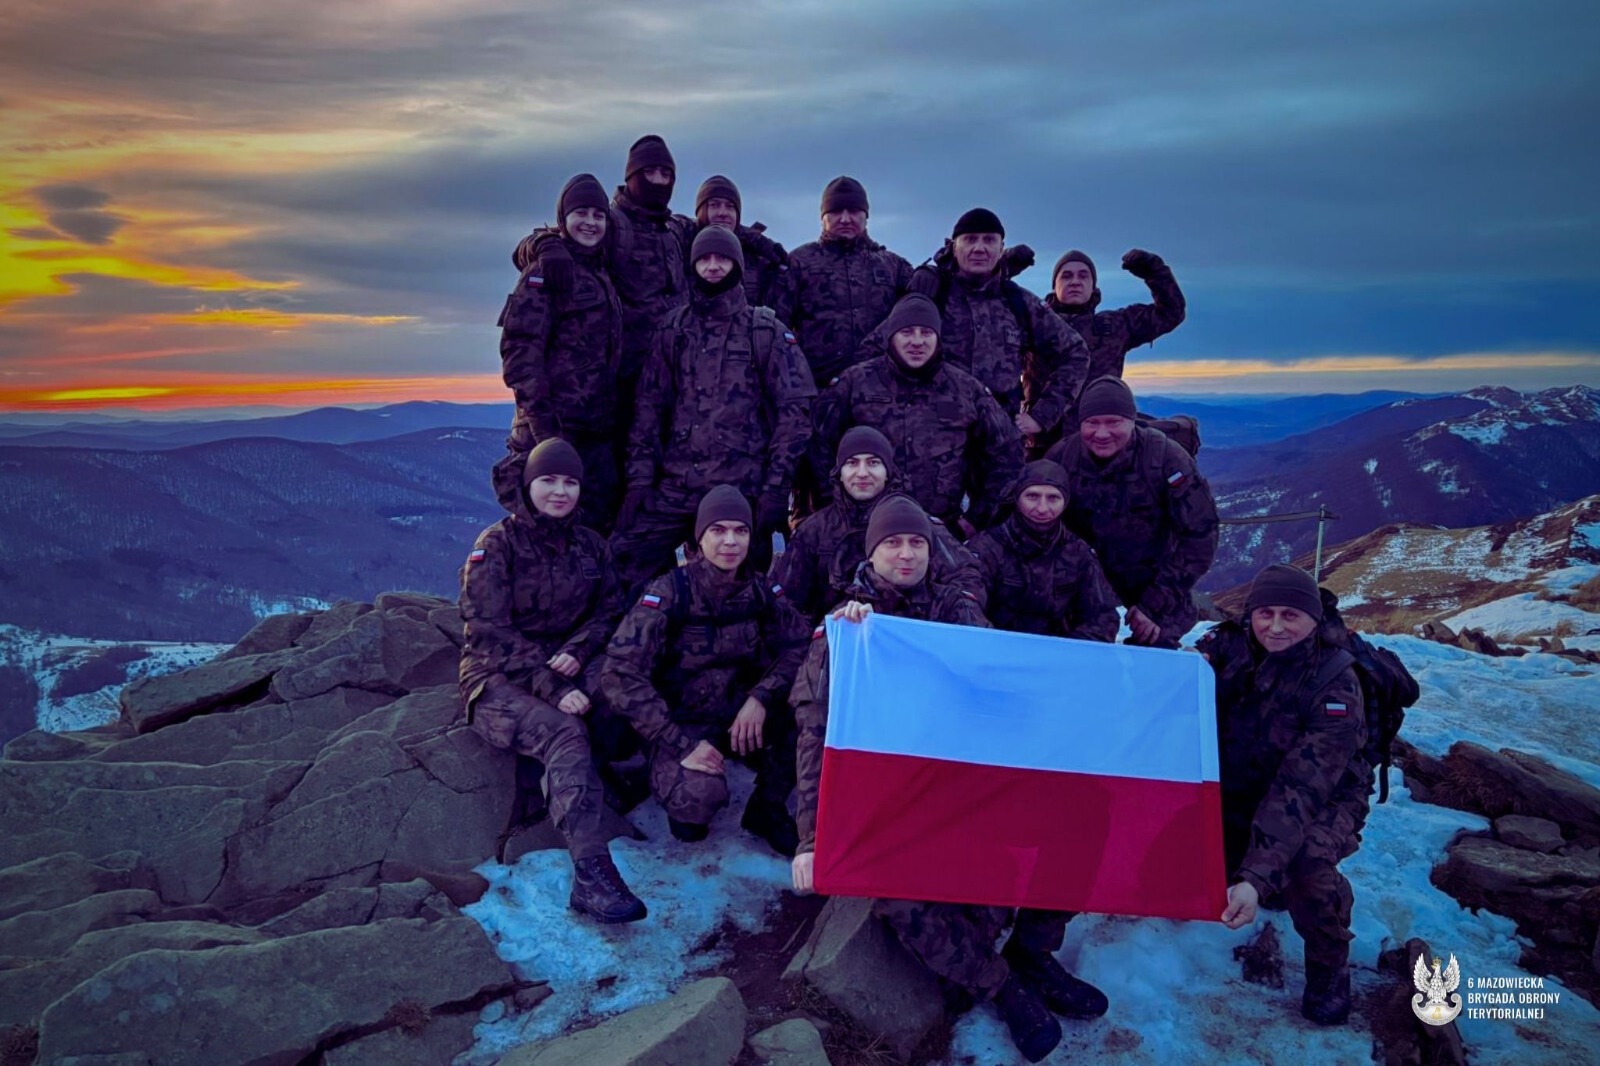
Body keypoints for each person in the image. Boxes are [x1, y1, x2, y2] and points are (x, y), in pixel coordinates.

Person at [790, 494, 1099, 1063]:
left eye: (916, 543)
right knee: (900, 893)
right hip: (888, 803)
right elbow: (816, 739)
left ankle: (1033, 950)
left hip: (960, 788)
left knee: (1077, 828)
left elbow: (991, 676)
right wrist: (811, 841)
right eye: (891, 543)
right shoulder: (845, 632)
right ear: (871, 551)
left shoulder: (956, 608)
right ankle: (1000, 985)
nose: (906, 554)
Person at [458, 439, 643, 923]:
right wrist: (552, 684)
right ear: (528, 484)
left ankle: (590, 778)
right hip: (497, 678)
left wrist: (577, 651)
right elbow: (487, 632)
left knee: (622, 686)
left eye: (569, 482)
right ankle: (591, 875)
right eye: (548, 480)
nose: (559, 491)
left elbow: (609, 610)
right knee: (564, 730)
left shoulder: (589, 545)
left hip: (566, 663)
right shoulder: (496, 545)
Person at [1197, 564, 1370, 1025]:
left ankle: (1330, 963)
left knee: (1305, 864)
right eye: (1265, 613)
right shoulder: (1226, 648)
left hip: (1323, 794)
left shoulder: (1336, 682)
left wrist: (1255, 876)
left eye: (1290, 615)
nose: (1275, 627)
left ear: (1314, 619)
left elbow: (1300, 789)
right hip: (1239, 777)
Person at [601, 486, 812, 852]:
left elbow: (801, 645)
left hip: (740, 717)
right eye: (718, 530)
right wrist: (678, 744)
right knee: (695, 808)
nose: (730, 542)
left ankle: (766, 806)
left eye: (740, 531)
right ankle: (657, 779)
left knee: (810, 716)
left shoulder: (760, 591)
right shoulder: (671, 593)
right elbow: (619, 673)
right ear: (700, 537)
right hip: (680, 723)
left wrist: (762, 697)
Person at [611, 226, 816, 587]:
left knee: (745, 588)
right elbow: (648, 408)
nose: (713, 266)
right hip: (678, 484)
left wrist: (774, 489)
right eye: (704, 258)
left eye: (722, 258)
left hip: (743, 489)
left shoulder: (763, 328)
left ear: (737, 264)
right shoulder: (674, 328)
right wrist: (640, 481)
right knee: (620, 564)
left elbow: (795, 413)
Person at [514, 135, 694, 446]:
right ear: (632, 177)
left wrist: (761, 242)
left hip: (665, 385)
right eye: (650, 173)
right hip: (615, 390)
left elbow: (720, 228)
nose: (658, 181)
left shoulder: (675, 230)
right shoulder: (610, 222)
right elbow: (544, 241)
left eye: (666, 175)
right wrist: (544, 246)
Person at [864, 208, 1089, 442]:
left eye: (989, 240)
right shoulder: (930, 296)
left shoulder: (1019, 302)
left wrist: (1042, 416)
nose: (979, 248)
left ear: (1001, 249)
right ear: (954, 246)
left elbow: (1075, 353)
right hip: (932, 442)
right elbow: (873, 350)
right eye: (970, 239)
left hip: (1000, 444)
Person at [811, 293, 1021, 536]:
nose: (917, 341)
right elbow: (818, 444)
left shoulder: (966, 389)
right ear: (891, 337)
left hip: (943, 531)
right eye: (907, 332)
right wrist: (835, 506)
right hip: (861, 529)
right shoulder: (854, 382)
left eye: (926, 332)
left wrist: (976, 518)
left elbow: (1007, 453)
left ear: (938, 338)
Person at [491, 173, 624, 528]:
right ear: (563, 218)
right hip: (551, 427)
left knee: (592, 534)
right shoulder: (546, 270)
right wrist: (544, 431)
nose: (591, 223)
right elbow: (520, 352)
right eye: (581, 213)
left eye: (599, 215)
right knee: (541, 533)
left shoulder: (600, 270)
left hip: (595, 432)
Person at [1045, 376, 1217, 648]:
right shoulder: (1061, 458)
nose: (1102, 433)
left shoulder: (1166, 459)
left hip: (1154, 584)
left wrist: (1154, 603)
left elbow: (1200, 537)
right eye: (1092, 422)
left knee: (1155, 655)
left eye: (1113, 422)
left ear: (1131, 420)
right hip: (1085, 585)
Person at [772, 424, 983, 622]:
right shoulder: (814, 531)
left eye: (873, 463)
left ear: (887, 472)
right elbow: (786, 602)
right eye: (852, 463)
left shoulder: (918, 524)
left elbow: (967, 578)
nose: (862, 473)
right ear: (840, 474)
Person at [769, 176, 915, 389]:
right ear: (823, 217)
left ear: (866, 216)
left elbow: (917, 311)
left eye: (854, 211)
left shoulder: (893, 266)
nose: (845, 219)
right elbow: (777, 327)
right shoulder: (798, 262)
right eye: (836, 212)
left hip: (882, 389)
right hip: (817, 389)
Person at [966, 459, 1120, 642]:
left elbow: (1103, 615)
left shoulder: (1078, 552)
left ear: (1065, 501)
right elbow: (967, 609)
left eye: (1053, 498)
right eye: (1032, 496)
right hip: (998, 652)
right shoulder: (986, 548)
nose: (1042, 508)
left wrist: (1067, 652)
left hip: (1059, 656)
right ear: (1017, 498)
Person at [1046, 247, 1186, 385]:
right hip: (1043, 408)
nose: (1075, 282)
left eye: (1083, 276)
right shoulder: (1033, 324)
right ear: (1054, 286)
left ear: (1093, 286)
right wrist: (1022, 266)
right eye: (1066, 276)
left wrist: (1154, 270)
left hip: (1101, 407)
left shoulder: (1117, 324)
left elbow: (1171, 312)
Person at [692, 174, 789, 310]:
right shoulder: (681, 247)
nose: (723, 212)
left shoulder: (757, 259)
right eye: (714, 205)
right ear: (701, 212)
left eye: (730, 206)